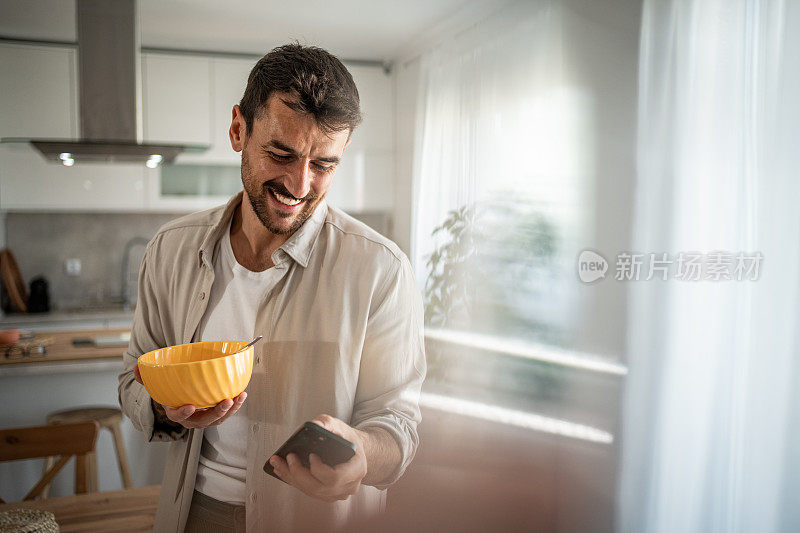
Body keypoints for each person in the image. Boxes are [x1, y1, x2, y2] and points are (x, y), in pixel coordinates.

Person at [118, 43, 426, 533]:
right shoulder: (169, 251)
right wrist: (166, 406)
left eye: (323, 165)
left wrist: (361, 454)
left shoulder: (381, 271)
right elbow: (132, 378)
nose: (299, 185)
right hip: (192, 514)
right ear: (239, 129)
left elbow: (398, 427)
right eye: (281, 154)